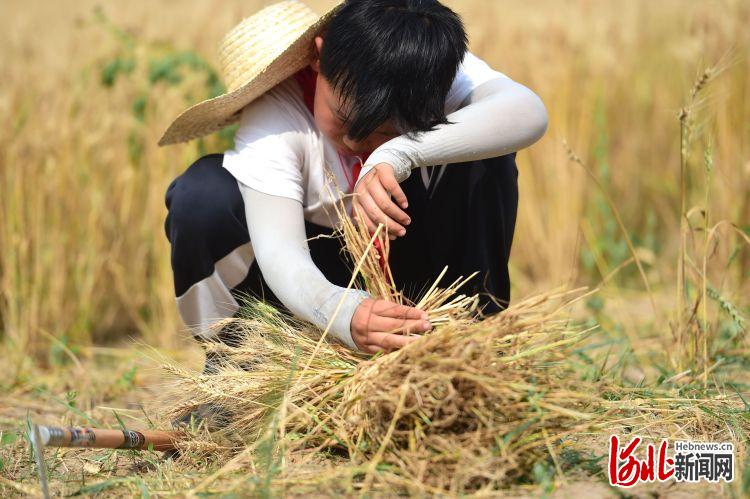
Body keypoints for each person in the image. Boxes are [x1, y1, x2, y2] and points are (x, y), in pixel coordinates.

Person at [160, 0, 548, 365]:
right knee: (202, 197)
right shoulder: (275, 116)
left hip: (422, 270)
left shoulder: (432, 70)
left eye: (381, 131)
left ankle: (469, 344)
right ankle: (237, 366)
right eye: (343, 120)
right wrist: (342, 311)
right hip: (315, 287)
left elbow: (527, 112)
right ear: (318, 55)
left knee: (487, 150)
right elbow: (280, 252)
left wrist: (396, 154)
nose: (354, 143)